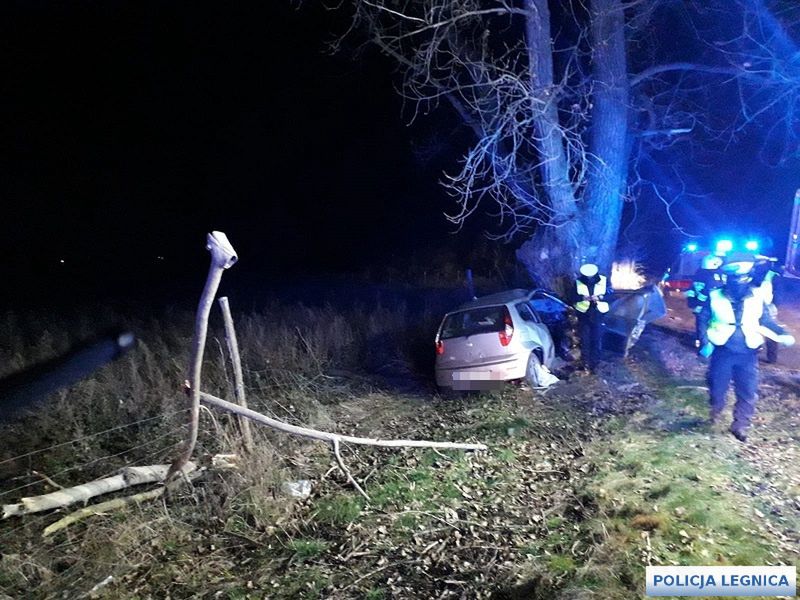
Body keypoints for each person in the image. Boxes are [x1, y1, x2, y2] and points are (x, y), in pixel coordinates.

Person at [699, 261, 795, 442]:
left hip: (748, 352)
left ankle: (740, 425)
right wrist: (704, 342)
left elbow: (766, 321)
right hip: (723, 350)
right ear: (727, 278)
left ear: (748, 278)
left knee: (747, 391)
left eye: (740, 279)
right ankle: (716, 409)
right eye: (732, 278)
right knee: (717, 388)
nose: (736, 282)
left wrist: (783, 333)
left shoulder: (757, 298)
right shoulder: (715, 296)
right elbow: (703, 319)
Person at [573, 263, 609, 372]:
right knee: (585, 340)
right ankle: (586, 364)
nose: (588, 278)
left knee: (597, 339)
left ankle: (595, 364)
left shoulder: (603, 280)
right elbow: (572, 297)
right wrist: (582, 297)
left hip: (599, 313)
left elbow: (611, 294)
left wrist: (600, 297)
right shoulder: (578, 282)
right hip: (584, 314)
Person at [686, 254, 723, 350]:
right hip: (713, 306)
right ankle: (708, 348)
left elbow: (697, 290)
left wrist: (695, 303)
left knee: (702, 328)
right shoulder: (716, 274)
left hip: (705, 306)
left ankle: (705, 349)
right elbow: (695, 288)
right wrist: (693, 301)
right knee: (707, 328)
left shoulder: (701, 273)